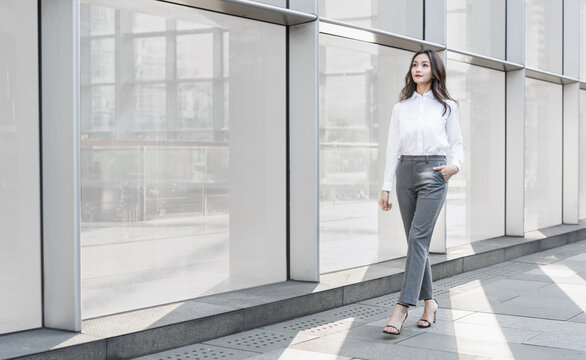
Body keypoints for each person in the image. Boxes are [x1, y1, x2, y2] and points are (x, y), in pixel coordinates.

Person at [379, 49, 463, 335]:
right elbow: (392, 149)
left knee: (417, 238)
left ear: (434, 70)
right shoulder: (400, 107)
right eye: (415, 64)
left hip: (435, 172)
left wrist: (455, 167)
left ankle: (402, 307)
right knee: (417, 243)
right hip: (405, 172)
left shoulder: (447, 106)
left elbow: (457, 143)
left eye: (424, 64)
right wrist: (386, 187)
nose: (418, 68)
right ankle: (431, 304)